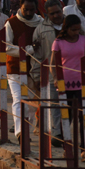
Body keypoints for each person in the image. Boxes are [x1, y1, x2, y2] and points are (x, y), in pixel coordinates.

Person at [5, 0, 43, 138]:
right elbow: (7, 47)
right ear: (20, 7)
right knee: (18, 98)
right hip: (15, 68)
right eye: (25, 9)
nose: (28, 13)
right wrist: (30, 49)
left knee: (36, 102)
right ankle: (21, 131)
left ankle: (34, 126)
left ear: (36, 9)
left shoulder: (41, 23)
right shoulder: (11, 23)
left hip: (35, 69)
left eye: (31, 10)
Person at [50, 14, 85, 157]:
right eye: (73, 30)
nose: (76, 32)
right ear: (67, 28)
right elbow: (53, 64)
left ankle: (84, 148)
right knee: (67, 115)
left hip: (82, 84)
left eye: (78, 29)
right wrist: (56, 78)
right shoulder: (58, 42)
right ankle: (67, 147)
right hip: (65, 84)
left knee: (83, 115)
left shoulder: (83, 40)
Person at [32, 0, 66, 144]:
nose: (56, 16)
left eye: (58, 12)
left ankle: (67, 132)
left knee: (70, 105)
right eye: (53, 14)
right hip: (51, 75)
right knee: (53, 105)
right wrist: (37, 75)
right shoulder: (41, 29)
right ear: (47, 14)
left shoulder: (71, 25)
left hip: (71, 74)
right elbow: (37, 55)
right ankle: (57, 135)